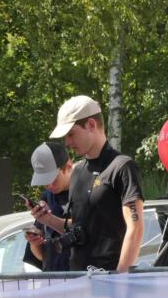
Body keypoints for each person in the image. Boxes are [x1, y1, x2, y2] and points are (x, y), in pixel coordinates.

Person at [32, 96, 144, 272]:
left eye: (71, 134)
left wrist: (121, 281)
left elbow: (135, 228)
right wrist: (47, 219)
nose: (67, 143)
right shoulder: (77, 171)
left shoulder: (122, 166)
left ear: (91, 125)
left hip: (110, 282)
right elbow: (79, 228)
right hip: (79, 280)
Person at [24, 142, 74, 272]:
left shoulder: (88, 192)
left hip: (80, 280)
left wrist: (49, 220)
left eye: (53, 178)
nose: (50, 185)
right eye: (44, 181)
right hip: (51, 280)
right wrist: (35, 242)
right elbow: (42, 256)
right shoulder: (46, 198)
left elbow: (89, 230)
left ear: (68, 166)